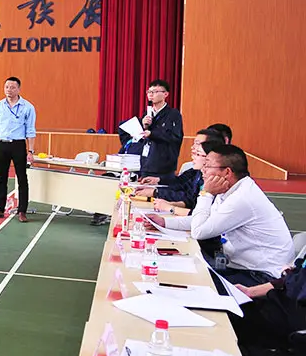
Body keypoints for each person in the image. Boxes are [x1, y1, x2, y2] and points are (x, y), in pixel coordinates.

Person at [148, 145, 295, 287]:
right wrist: (164, 222)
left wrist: (206, 194)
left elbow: (199, 231)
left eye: (207, 165)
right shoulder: (229, 189)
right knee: (184, 270)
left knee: (191, 280)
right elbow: (202, 220)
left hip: (262, 276)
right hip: (241, 266)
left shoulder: (242, 198)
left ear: (227, 172)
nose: (203, 170)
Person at [0, 76, 36, 222]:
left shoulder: (28, 107)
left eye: (12, 87)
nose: (9, 90)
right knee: (1, 178)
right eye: (6, 87)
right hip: (2, 145)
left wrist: (30, 151)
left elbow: (30, 130)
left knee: (22, 178)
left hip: (18, 145)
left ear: (18, 89)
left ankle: (22, 210)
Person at [134, 128, 223, 209]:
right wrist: (158, 185)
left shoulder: (215, 181)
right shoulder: (197, 172)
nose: (193, 149)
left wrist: (157, 194)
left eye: (198, 152)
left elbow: (192, 202)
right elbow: (181, 185)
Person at [125, 79, 183, 179]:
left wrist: (151, 134)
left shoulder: (173, 114)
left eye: (155, 92)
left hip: (163, 165)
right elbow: (143, 137)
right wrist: (144, 126)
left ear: (165, 94)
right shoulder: (147, 113)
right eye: (149, 92)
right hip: (146, 162)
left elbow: (174, 137)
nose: (151, 94)